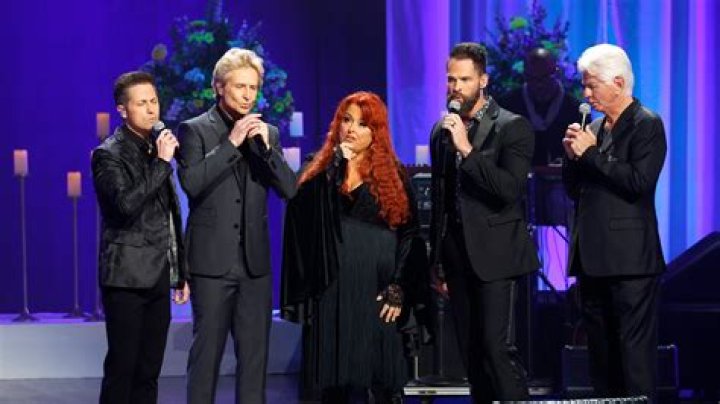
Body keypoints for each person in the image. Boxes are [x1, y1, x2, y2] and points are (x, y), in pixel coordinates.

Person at [281, 91, 432, 404]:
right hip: (331, 290)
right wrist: (335, 165)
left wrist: (399, 287)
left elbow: (410, 235)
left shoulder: (393, 173)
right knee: (330, 383)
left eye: (363, 124)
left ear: (376, 132)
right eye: (346, 120)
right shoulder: (319, 170)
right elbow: (300, 217)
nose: (351, 129)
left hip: (377, 291)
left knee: (379, 380)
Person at [177, 48, 296, 404]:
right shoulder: (195, 130)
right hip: (212, 265)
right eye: (240, 86)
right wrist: (231, 143)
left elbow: (290, 189)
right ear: (219, 87)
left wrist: (267, 150)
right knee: (206, 357)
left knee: (255, 360)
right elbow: (192, 183)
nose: (247, 95)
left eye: (253, 88)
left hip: (254, 265)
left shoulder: (267, 132)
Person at [429, 42, 540, 404]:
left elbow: (509, 190)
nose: (456, 87)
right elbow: (441, 197)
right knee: (471, 351)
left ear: (483, 80)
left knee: (496, 348)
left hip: (497, 255)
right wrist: (437, 259)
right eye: (451, 80)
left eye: (464, 80)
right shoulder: (441, 131)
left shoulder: (512, 127)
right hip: (457, 255)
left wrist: (467, 150)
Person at [562, 44, 666, 401]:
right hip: (592, 259)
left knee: (633, 359)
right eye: (584, 85)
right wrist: (572, 158)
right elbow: (576, 191)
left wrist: (590, 153)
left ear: (618, 83)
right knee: (601, 359)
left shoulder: (646, 124)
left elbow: (638, 182)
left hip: (630, 261)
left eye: (591, 85)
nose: (585, 94)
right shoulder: (593, 127)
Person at [92, 71, 190, 404]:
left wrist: (180, 272)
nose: (151, 110)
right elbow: (124, 206)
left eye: (154, 101)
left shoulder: (157, 147)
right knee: (123, 368)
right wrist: (161, 163)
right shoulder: (108, 154)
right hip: (126, 277)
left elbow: (169, 217)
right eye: (142, 103)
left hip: (158, 274)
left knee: (149, 370)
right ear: (122, 110)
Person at [499, 47, 581, 166]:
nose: (539, 85)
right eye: (533, 79)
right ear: (525, 76)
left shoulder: (574, 109)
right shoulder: (507, 105)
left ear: (556, 74)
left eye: (545, 78)